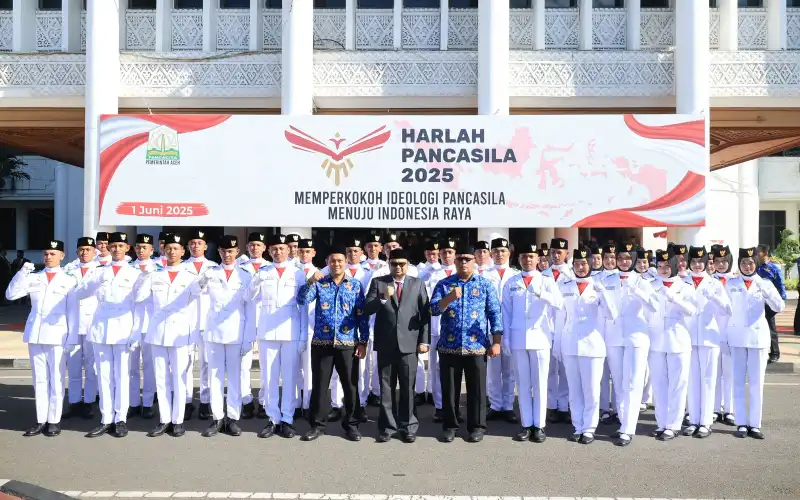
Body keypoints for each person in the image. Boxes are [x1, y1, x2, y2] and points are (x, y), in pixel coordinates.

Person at [429, 242, 502, 444]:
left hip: (476, 346)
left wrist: (496, 342)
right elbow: (433, 310)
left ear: (475, 261)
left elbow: (494, 313)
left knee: (476, 390)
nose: (463, 263)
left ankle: (477, 426)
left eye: (467, 259)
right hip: (449, 346)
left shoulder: (485, 284)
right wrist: (449, 298)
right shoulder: (444, 284)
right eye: (459, 259)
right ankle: (450, 425)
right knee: (450, 389)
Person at [298, 244, 369, 442]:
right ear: (327, 263)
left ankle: (351, 425)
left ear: (346, 262)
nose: (336, 264)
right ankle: (317, 425)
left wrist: (363, 341)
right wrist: (310, 282)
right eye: (332, 261)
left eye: (340, 260)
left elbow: (361, 315)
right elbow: (302, 299)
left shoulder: (354, 285)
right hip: (322, 342)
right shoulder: (320, 283)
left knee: (350, 385)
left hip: (348, 343)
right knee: (320, 386)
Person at [5, 240, 76, 437]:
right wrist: (21, 273)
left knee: (56, 379)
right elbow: (11, 295)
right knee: (40, 380)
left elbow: (73, 312)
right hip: (35, 333)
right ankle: (40, 420)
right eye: (46, 253)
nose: (48, 257)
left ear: (62, 256)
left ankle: (54, 420)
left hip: (58, 335)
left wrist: (72, 337)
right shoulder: (34, 277)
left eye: (53, 253)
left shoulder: (69, 280)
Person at [75, 232, 142, 439]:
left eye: (120, 246)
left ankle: (120, 419)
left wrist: (136, 333)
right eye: (112, 246)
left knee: (121, 376)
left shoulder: (135, 273)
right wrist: (95, 281)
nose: (116, 249)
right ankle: (105, 419)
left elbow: (140, 305)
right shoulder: (98, 271)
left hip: (123, 331)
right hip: (101, 330)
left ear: (127, 248)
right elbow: (80, 294)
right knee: (103, 376)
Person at [364, 248, 431, 443]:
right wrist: (383, 297)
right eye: (394, 264)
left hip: (409, 344)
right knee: (386, 387)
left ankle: (408, 425)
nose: (398, 267)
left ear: (408, 265)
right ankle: (387, 426)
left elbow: (424, 315)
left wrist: (424, 341)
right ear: (389, 264)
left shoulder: (417, 284)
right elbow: (367, 308)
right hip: (386, 343)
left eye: (402, 264)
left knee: (408, 387)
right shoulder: (379, 282)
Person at [554, 247, 617, 445]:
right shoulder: (566, 286)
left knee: (591, 389)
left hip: (593, 345)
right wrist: (557, 344)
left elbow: (611, 314)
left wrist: (604, 293)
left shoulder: (598, 285)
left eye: (584, 264)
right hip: (570, 343)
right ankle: (577, 426)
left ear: (590, 265)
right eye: (577, 264)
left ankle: (589, 428)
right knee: (574, 389)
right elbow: (560, 317)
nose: (580, 268)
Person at [138, 233, 198, 438]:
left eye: (176, 248)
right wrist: (143, 276)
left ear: (183, 251)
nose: (172, 252)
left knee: (179, 378)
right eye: (168, 248)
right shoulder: (155, 275)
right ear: (163, 251)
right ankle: (164, 419)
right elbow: (139, 297)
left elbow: (200, 297)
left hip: (181, 333)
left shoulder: (191, 277)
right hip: (158, 333)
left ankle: (178, 420)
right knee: (161, 379)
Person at [501, 241, 562, 443]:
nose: (528, 260)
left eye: (531, 257)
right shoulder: (511, 282)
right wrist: (506, 339)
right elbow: (506, 313)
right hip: (518, 338)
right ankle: (526, 424)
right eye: (524, 257)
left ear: (538, 260)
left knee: (540, 384)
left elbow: (558, 305)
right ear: (519, 259)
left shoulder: (546, 281)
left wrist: (541, 294)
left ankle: (540, 425)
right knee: (523, 384)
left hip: (541, 338)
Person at [247, 233, 306, 439]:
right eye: (274, 249)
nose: (278, 252)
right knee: (269, 378)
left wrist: (303, 337)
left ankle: (287, 419)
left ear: (289, 251)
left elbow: (304, 306)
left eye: (282, 248)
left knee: (289, 377)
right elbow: (248, 297)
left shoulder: (298, 274)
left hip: (290, 331)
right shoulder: (263, 272)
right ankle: (272, 418)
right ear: (269, 251)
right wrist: (256, 281)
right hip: (268, 332)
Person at [727, 247, 785, 439]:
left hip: (758, 338)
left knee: (756, 383)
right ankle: (741, 423)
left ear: (756, 264)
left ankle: (755, 424)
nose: (747, 266)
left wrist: (767, 294)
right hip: (737, 338)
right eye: (744, 262)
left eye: (751, 262)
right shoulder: (731, 283)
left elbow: (780, 306)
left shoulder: (764, 283)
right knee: (737, 382)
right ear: (739, 265)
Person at [199, 235, 252, 438]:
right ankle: (217, 417)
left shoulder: (246, 276)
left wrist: (248, 337)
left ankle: (232, 418)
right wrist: (201, 279)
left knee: (235, 377)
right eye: (223, 251)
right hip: (214, 332)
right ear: (219, 252)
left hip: (236, 333)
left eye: (230, 251)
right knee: (215, 376)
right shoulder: (211, 273)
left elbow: (250, 309)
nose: (227, 255)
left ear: (237, 252)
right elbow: (196, 293)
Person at [606, 244, 658, 447]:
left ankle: (629, 428)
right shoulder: (608, 279)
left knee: (633, 383)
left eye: (629, 258)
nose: (624, 261)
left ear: (635, 260)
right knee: (618, 383)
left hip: (636, 337)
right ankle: (622, 423)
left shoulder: (643, 281)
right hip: (614, 336)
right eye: (621, 258)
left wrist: (637, 291)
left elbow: (653, 307)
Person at [682, 245, 731, 439]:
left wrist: (716, 299)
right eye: (693, 262)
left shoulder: (714, 283)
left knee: (708, 380)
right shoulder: (682, 281)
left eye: (700, 262)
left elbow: (727, 309)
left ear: (706, 263)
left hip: (709, 338)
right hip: (687, 337)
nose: (696, 265)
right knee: (692, 381)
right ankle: (693, 419)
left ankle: (706, 422)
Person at [649, 248, 696, 442]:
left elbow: (692, 310)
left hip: (679, 340)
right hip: (657, 341)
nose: (663, 270)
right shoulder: (651, 285)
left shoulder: (685, 286)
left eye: (667, 266)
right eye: (660, 266)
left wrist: (674, 298)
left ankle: (674, 424)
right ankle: (661, 423)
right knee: (659, 384)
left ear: (674, 266)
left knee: (678, 384)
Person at [63, 237, 100, 421]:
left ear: (95, 252)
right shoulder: (68, 270)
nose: (84, 253)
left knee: (92, 367)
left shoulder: (101, 270)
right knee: (74, 367)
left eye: (88, 249)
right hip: (74, 324)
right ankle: (75, 402)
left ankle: (89, 402)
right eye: (81, 249)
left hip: (93, 324)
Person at [484, 237, 519, 423]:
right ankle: (495, 405)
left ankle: (507, 405)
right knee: (493, 369)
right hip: (491, 329)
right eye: (496, 251)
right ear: (491, 253)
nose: (499, 254)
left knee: (510, 370)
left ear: (509, 253)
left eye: (503, 251)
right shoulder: (484, 275)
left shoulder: (516, 275)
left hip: (511, 328)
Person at [422, 238, 457, 421]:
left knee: (454, 369)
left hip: (456, 329)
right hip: (435, 326)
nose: (446, 255)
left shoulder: (464, 272)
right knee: (435, 368)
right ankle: (440, 405)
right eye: (443, 252)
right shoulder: (430, 274)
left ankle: (454, 405)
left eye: (450, 252)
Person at [183, 229, 216, 420]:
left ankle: (205, 401)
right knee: (185, 364)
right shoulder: (181, 267)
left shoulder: (213, 267)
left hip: (206, 321)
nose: (196, 246)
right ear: (188, 246)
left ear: (205, 246)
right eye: (192, 243)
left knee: (205, 363)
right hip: (186, 321)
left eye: (199, 243)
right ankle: (186, 401)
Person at [128, 233, 159, 420]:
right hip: (130, 324)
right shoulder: (128, 268)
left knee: (149, 366)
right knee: (131, 368)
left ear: (152, 250)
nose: (141, 250)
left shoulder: (158, 270)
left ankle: (147, 403)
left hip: (149, 324)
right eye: (138, 247)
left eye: (145, 248)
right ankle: (133, 403)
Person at [239, 231, 269, 419]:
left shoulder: (270, 267)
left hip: (266, 319)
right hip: (246, 318)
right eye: (252, 245)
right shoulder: (239, 267)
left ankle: (265, 401)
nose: (255, 248)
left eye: (258, 245)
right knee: (244, 363)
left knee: (267, 364)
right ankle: (246, 401)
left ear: (264, 248)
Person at [294, 238, 318, 418]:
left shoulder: (320, 272)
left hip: (311, 325)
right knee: (293, 369)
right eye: (301, 251)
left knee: (309, 368)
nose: (304, 254)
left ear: (313, 253)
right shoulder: (291, 271)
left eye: (307, 251)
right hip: (293, 325)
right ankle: (294, 404)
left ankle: (308, 404)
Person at [712, 245, 736, 426]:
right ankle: (714, 408)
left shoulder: (735, 281)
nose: (721, 264)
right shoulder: (709, 280)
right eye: (717, 261)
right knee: (713, 373)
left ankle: (729, 409)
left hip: (731, 333)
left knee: (729, 374)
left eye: (724, 261)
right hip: (712, 333)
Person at [597, 243, 620, 424]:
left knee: (618, 374)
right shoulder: (595, 278)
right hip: (598, 331)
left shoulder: (623, 279)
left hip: (616, 332)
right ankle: (604, 407)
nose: (610, 261)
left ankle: (619, 408)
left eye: (613, 258)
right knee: (602, 374)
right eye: (607, 258)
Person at [756, 244, 787, 363]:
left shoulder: (773, 268)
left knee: (770, 327)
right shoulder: (756, 267)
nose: (756, 254)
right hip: (758, 302)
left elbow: (780, 285)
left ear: (764, 253)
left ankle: (775, 353)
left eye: (758, 252)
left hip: (770, 303)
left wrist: (782, 299)